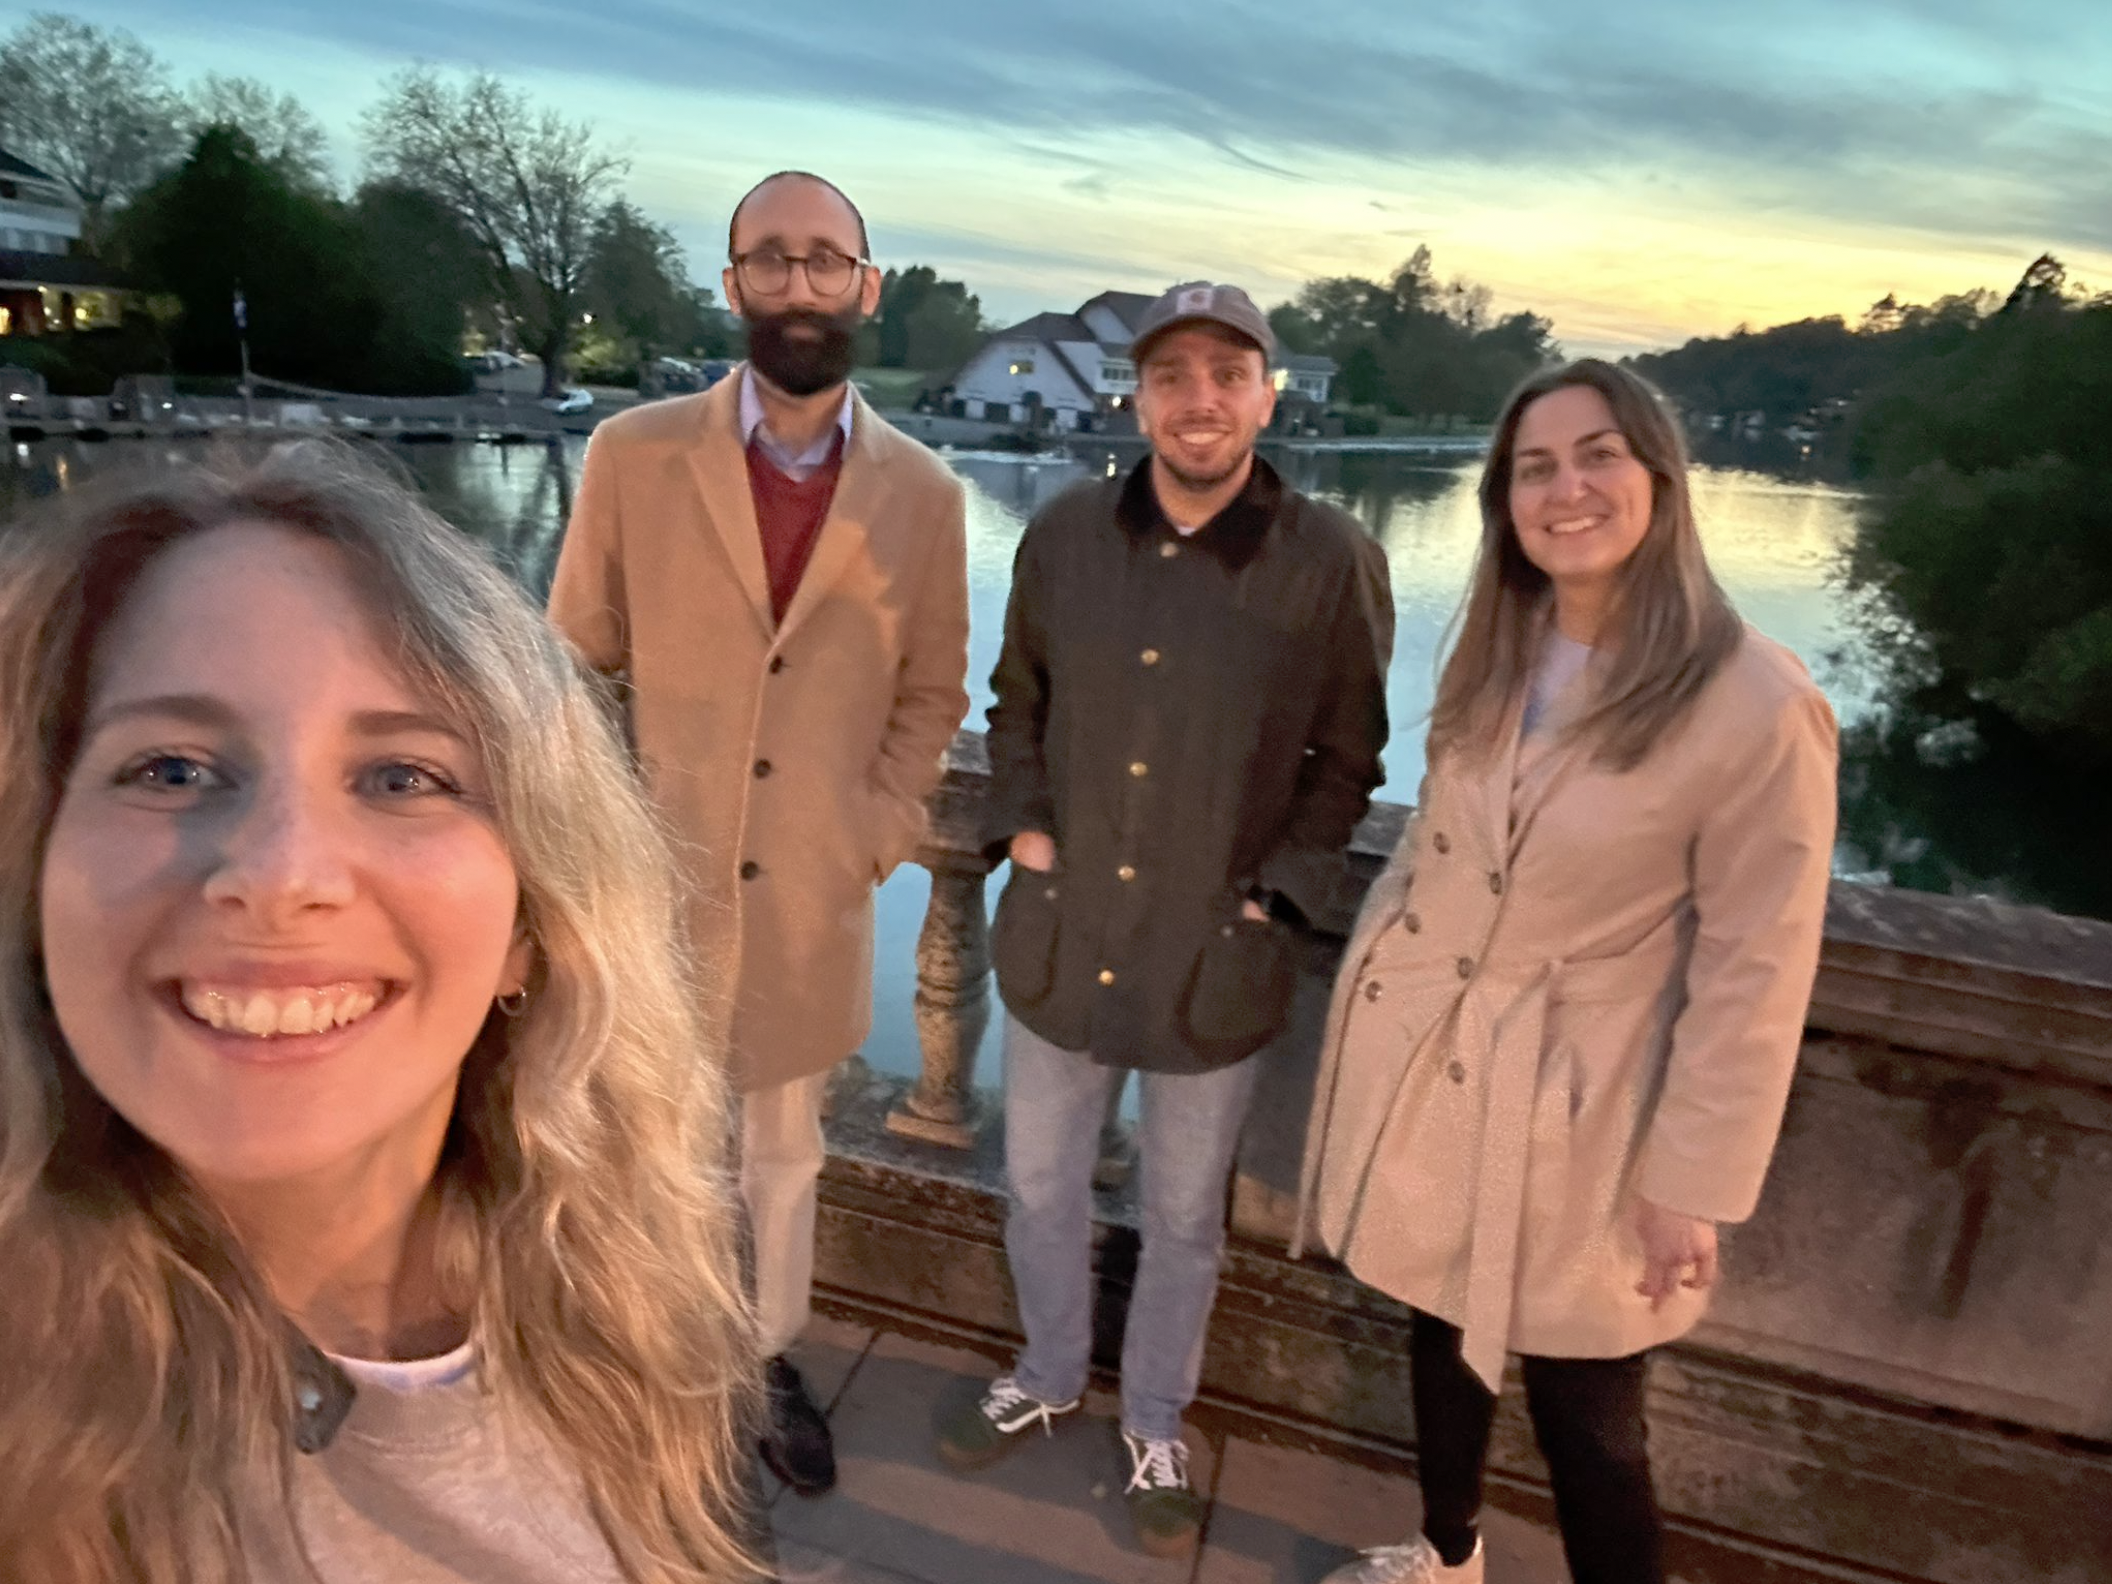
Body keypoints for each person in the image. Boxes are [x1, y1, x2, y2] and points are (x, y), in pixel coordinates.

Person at [0, 445, 763, 1583]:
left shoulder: (618, 1288)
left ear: (531, 923)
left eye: (403, 777)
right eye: (169, 769)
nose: (280, 874)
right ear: (32, 874)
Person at [1295, 359, 1839, 1584]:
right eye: (1534, 468)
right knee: (1441, 1326)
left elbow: (1758, 968)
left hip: (1593, 1107)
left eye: (1599, 456)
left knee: (1590, 1417)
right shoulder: (1500, 652)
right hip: (1444, 1067)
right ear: (1505, 500)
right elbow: (1439, 854)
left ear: (1660, 479)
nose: (1567, 489)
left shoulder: (1756, 702)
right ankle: (1448, 1557)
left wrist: (1691, 1180)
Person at [937, 282, 1393, 1558]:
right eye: (1173, 375)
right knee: (1039, 1185)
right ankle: (1047, 1371)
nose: (1200, 399)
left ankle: (1154, 1420)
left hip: (1215, 946)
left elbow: (1349, 757)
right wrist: (1024, 830)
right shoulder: (1066, 534)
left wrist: (1277, 893)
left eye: (1227, 374)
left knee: (1186, 1219)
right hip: (1068, 925)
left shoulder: (1331, 557)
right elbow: (1016, 700)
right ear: (1135, 397)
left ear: (1267, 396)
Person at [548, 170, 971, 1497]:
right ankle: (654, 1363)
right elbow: (572, 666)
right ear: (731, 281)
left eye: (826, 260)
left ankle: (767, 1360)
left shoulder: (926, 493)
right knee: (642, 1149)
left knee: (783, 1158)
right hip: (651, 890)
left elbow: (934, 693)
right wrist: (598, 843)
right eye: (772, 259)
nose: (800, 284)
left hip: (807, 900)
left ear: (867, 286)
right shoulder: (634, 455)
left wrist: (874, 834)